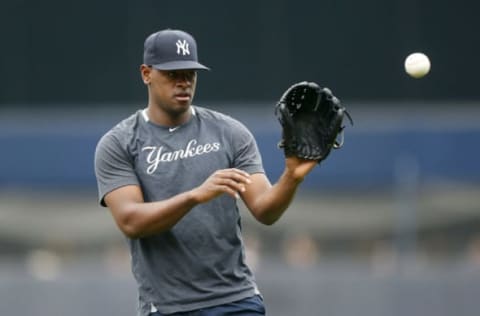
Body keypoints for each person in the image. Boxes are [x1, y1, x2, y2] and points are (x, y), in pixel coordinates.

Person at [94, 28, 318, 316]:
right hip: (168, 307)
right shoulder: (119, 143)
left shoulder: (230, 132)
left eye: (190, 73)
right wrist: (195, 196)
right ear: (146, 73)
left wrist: (292, 178)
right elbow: (130, 221)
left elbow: (265, 210)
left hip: (237, 300)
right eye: (173, 74)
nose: (184, 82)